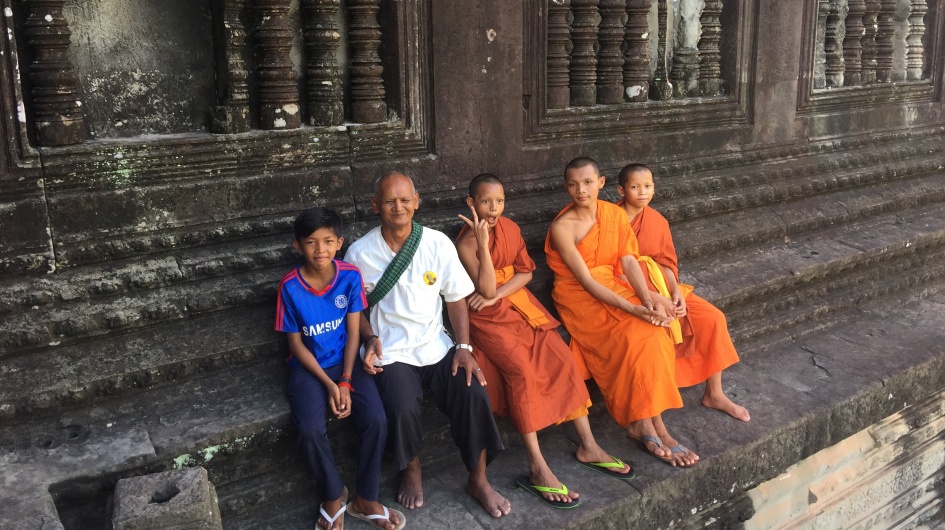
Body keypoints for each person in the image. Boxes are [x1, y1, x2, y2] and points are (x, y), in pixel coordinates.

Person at [455, 174, 634, 509]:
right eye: (485, 202)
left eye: (499, 201)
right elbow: (486, 289)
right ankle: (537, 464)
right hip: (487, 318)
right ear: (471, 203)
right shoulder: (466, 242)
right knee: (522, 373)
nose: (493, 209)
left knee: (562, 357)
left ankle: (588, 444)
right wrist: (482, 243)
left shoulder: (510, 228)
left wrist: (498, 295)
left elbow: (526, 272)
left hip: (519, 305)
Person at [344, 172, 510, 518]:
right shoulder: (359, 252)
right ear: (375, 205)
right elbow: (354, 309)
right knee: (400, 404)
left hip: (436, 344)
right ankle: (412, 467)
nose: (398, 207)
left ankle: (478, 478)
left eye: (405, 200)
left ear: (417, 202)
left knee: (473, 391)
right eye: (389, 201)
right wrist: (370, 338)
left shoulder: (437, 244)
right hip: (391, 350)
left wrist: (463, 347)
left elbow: (455, 298)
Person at [544, 157, 699, 467]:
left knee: (655, 333)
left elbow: (628, 260)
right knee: (633, 337)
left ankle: (652, 424)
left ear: (601, 183)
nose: (581, 190)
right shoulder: (562, 227)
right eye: (573, 184)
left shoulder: (613, 214)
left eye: (588, 182)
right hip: (579, 296)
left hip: (613, 284)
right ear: (566, 187)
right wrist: (633, 309)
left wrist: (646, 299)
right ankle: (647, 426)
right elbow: (586, 281)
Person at [275, 207, 403, 530]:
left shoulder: (349, 276)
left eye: (328, 241)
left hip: (346, 362)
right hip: (308, 368)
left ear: (340, 243)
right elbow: (296, 346)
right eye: (311, 242)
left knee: (377, 420)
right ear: (298, 245)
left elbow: (353, 332)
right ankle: (334, 494)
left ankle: (366, 498)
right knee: (309, 429)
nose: (320, 250)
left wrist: (345, 380)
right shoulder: (290, 287)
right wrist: (329, 384)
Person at [616, 163, 749, 422]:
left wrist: (675, 291)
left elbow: (665, 261)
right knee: (656, 331)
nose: (642, 192)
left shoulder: (656, 221)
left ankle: (715, 393)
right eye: (635, 187)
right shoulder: (609, 219)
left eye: (647, 186)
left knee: (713, 318)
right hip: (626, 288)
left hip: (662, 285)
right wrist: (654, 298)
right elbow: (610, 268)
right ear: (621, 190)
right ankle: (654, 406)